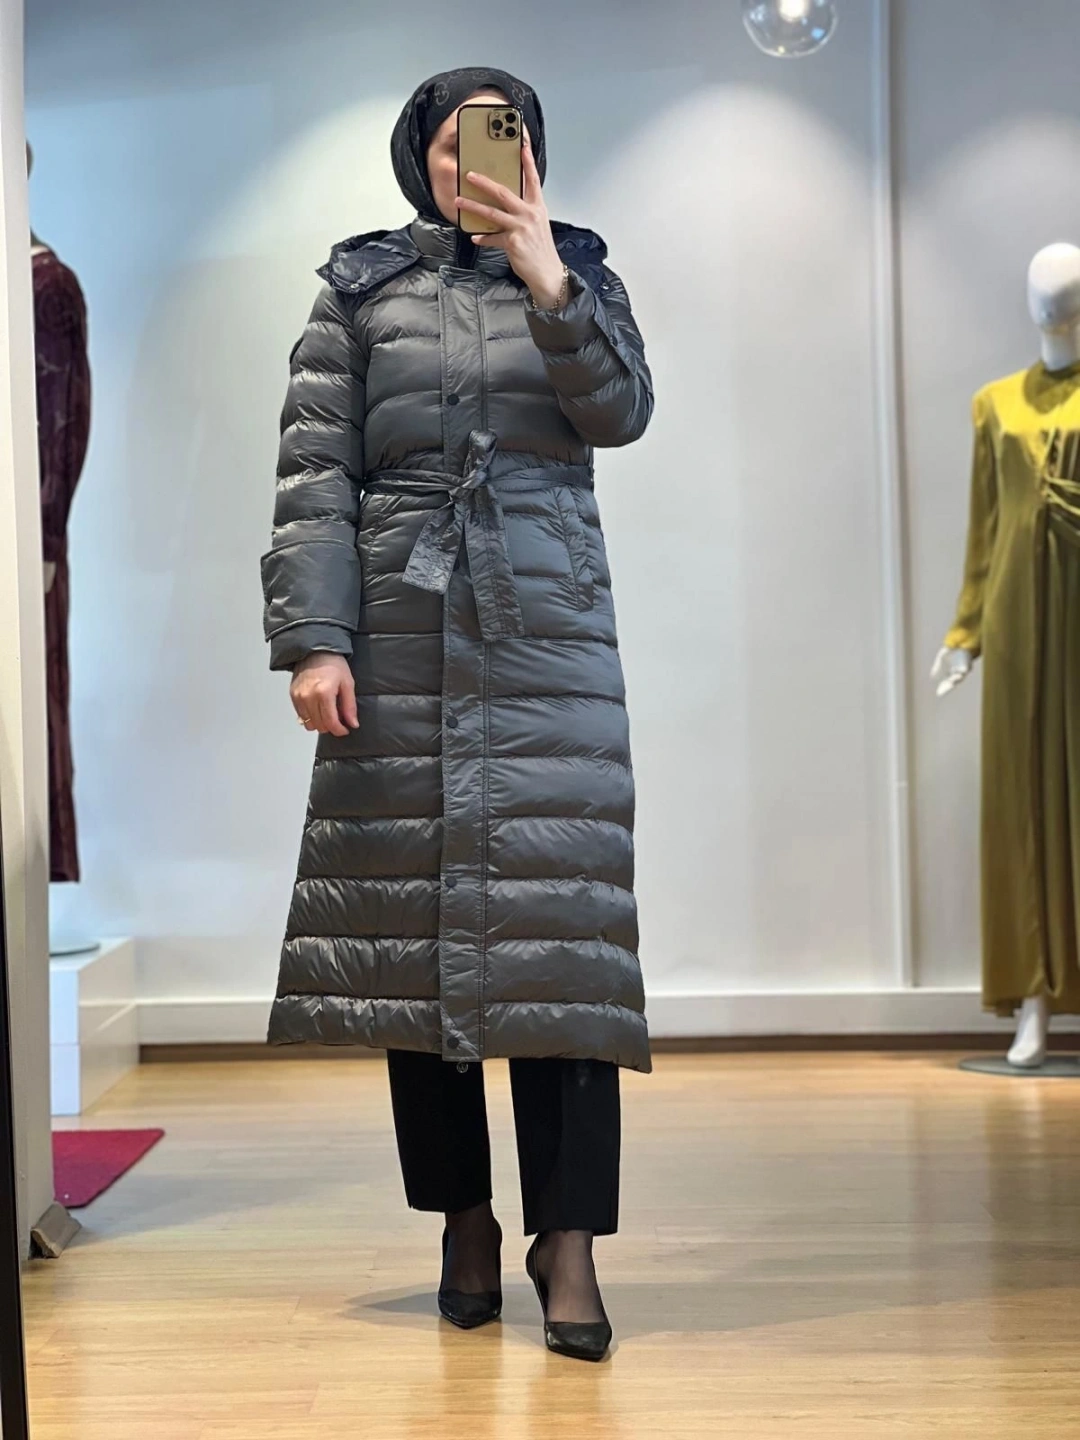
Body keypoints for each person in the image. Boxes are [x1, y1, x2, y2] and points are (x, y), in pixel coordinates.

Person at [260, 66, 654, 1361]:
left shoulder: (580, 268)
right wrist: (315, 640)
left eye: (507, 133)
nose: (481, 157)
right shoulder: (360, 287)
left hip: (547, 628)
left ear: (534, 151)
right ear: (418, 157)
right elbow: (316, 476)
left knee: (564, 948)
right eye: (457, 141)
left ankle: (570, 1243)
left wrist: (549, 281)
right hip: (402, 620)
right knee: (413, 950)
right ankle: (466, 1222)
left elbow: (619, 414)